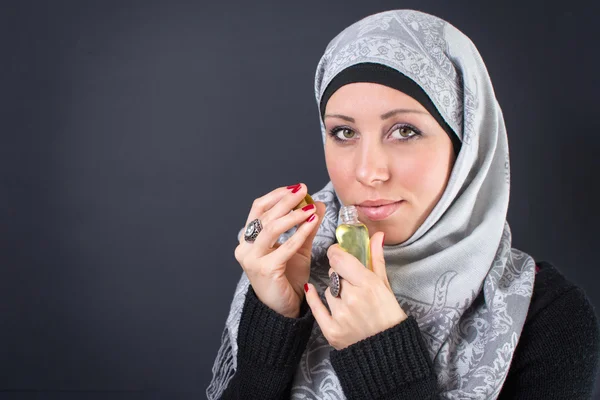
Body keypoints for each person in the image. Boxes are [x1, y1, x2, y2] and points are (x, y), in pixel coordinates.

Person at [206, 9, 600, 400]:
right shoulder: (291, 268)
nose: (368, 171)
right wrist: (274, 324)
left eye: (405, 131)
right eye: (343, 132)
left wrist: (381, 355)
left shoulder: (545, 317)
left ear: (465, 146)